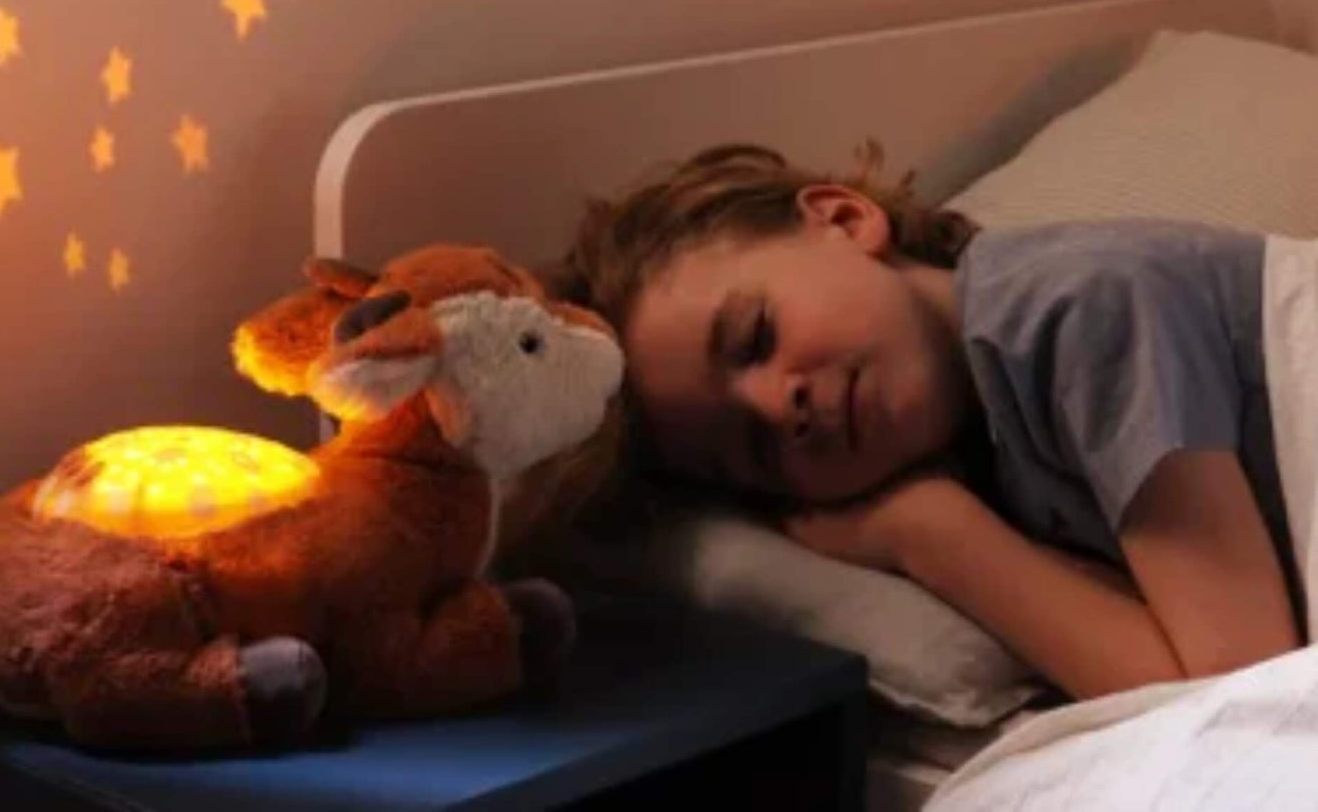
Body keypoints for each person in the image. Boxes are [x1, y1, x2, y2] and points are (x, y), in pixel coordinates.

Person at [545, 140, 1303, 701]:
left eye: (755, 337)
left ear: (843, 219)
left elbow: (1240, 699)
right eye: (753, 449)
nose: (781, 406)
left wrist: (931, 535)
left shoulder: (1073, 311)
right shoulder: (994, 442)